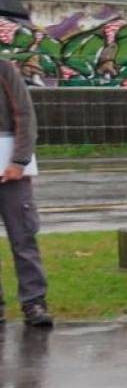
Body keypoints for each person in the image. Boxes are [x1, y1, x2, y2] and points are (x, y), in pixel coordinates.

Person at [0, 57, 50, 328]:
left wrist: (18, 161)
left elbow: (24, 114)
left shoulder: (4, 69)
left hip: (10, 168)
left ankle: (34, 302)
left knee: (23, 238)